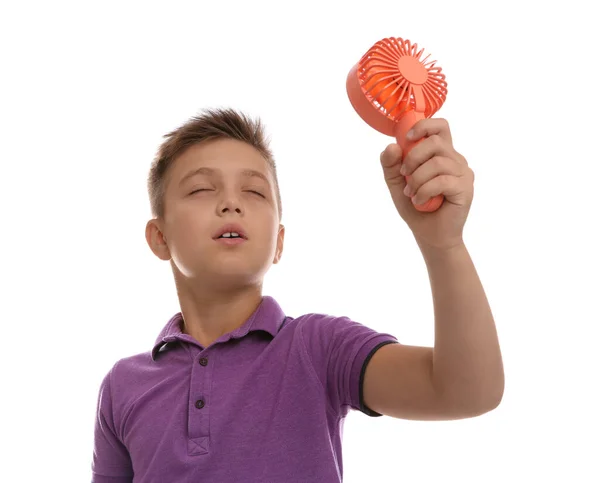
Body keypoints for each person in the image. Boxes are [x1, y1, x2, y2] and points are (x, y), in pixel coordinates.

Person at [91, 108, 504, 482]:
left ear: (279, 243)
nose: (231, 203)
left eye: (254, 192)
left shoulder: (317, 347)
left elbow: (466, 391)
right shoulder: (123, 386)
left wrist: (443, 244)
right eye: (201, 189)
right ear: (159, 237)